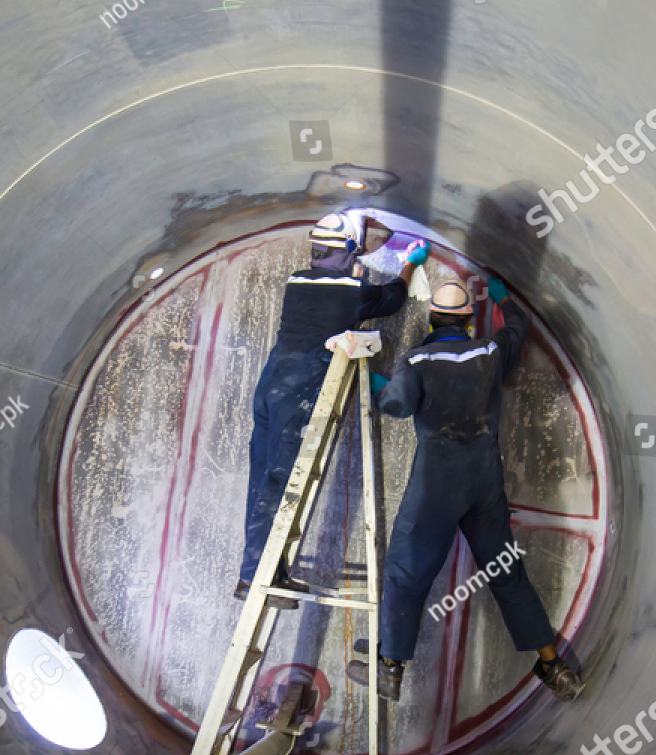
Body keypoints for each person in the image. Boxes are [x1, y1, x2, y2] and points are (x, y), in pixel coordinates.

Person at [348, 277, 583, 700]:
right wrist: (504, 297)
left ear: (433, 319)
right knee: (506, 573)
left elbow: (398, 405)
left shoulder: (418, 360)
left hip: (436, 483)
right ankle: (554, 667)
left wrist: (375, 384)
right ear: (468, 320)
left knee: (406, 571)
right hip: (483, 478)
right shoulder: (491, 351)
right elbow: (517, 328)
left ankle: (389, 669)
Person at [237, 213, 424, 609]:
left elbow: (334, 292)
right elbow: (392, 298)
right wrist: (410, 264)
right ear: (350, 249)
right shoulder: (350, 290)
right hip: (298, 388)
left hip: (272, 380)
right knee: (282, 481)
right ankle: (262, 577)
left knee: (262, 478)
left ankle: (252, 573)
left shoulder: (297, 280)